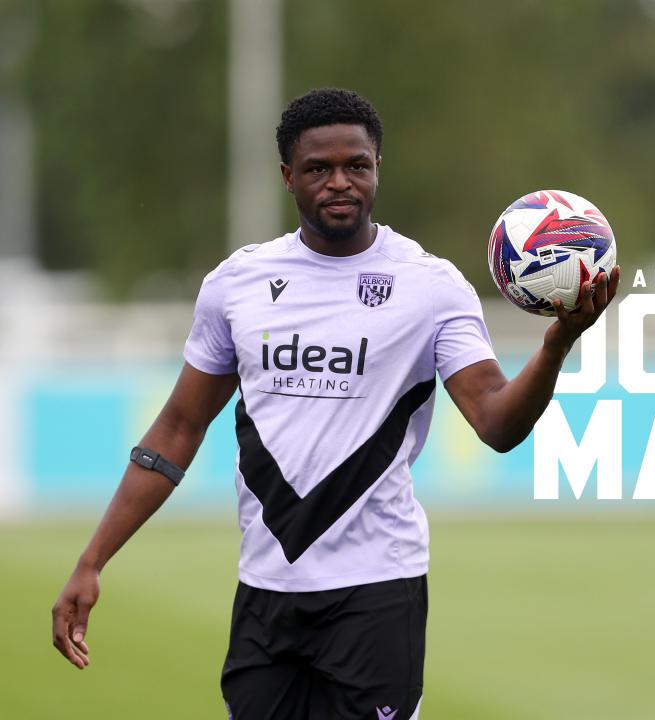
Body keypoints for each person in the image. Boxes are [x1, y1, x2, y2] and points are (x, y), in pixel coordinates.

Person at [51, 87, 620, 719]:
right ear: (288, 177)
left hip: (377, 592)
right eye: (319, 169)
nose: (340, 182)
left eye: (358, 165)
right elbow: (178, 428)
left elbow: (496, 422)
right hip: (267, 594)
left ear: (378, 170)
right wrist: (93, 559)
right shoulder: (237, 284)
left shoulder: (430, 286)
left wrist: (557, 344)